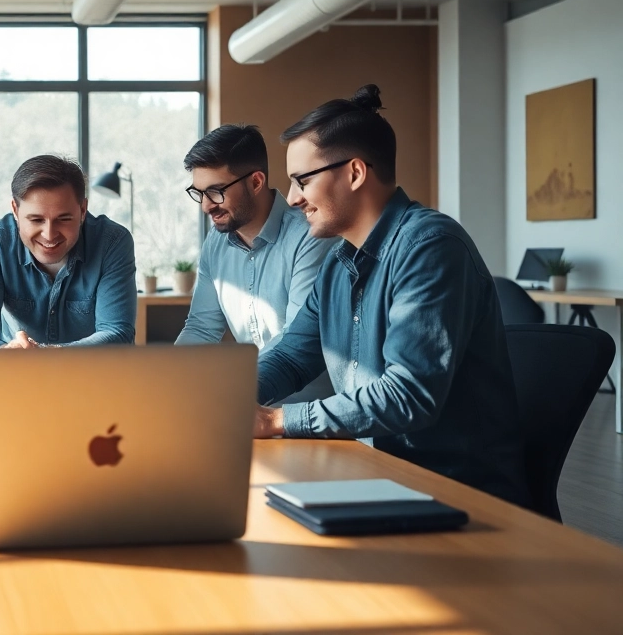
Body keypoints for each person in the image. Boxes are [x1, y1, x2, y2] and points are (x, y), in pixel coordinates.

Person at [254, 85, 529, 505]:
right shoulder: (338, 264)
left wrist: (275, 419)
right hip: (372, 476)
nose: (291, 198)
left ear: (355, 172)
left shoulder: (431, 247)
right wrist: (227, 394)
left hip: (454, 495)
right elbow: (292, 356)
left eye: (301, 180)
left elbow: (407, 395)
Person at [176, 124, 332, 351]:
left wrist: (240, 384)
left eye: (215, 192)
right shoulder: (215, 242)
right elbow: (201, 327)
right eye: (199, 193)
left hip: (305, 386)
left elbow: (296, 339)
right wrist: (167, 376)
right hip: (250, 383)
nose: (206, 206)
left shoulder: (310, 236)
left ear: (256, 182)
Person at [0, 154, 137, 348]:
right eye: (36, 220)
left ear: (83, 210)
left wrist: (49, 355)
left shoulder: (112, 241)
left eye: (64, 219)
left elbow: (118, 333)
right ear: (15, 211)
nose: (49, 235)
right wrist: (6, 353)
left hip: (91, 373)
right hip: (16, 369)